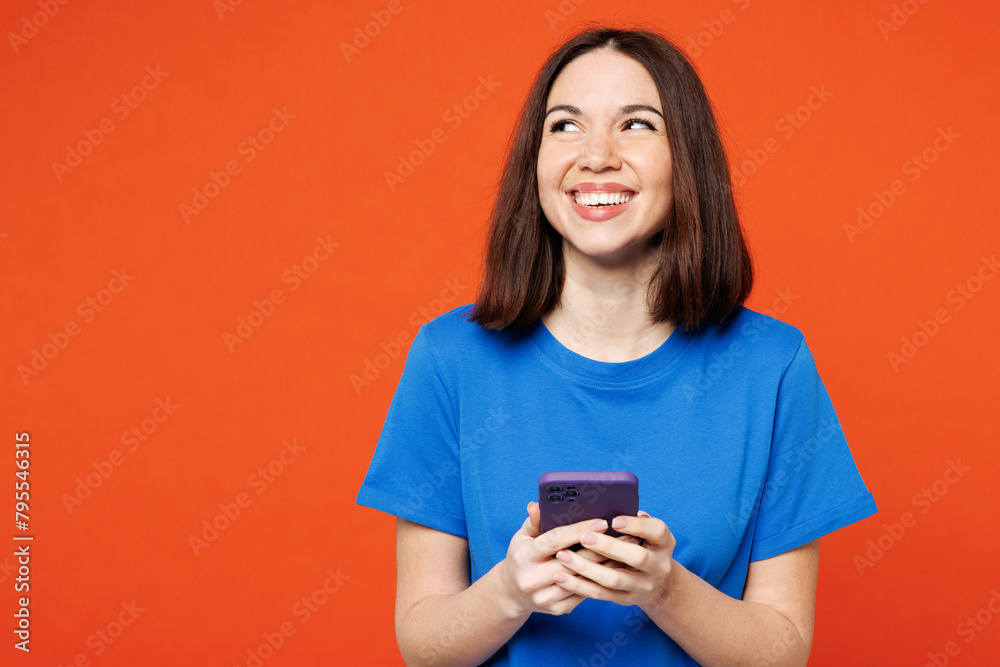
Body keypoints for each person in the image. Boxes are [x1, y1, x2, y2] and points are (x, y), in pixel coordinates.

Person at [356, 25, 877, 666]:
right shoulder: (449, 359)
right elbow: (423, 648)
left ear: (687, 157)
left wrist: (665, 590)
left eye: (636, 124)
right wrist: (510, 591)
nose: (596, 155)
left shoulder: (773, 367)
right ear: (535, 162)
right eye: (565, 126)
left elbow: (783, 654)